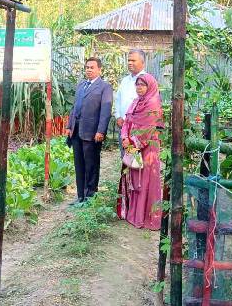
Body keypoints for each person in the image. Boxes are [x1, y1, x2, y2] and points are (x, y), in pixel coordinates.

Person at [118, 74, 164, 230]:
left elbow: (148, 130)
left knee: (145, 181)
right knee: (134, 177)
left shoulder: (153, 104)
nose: (139, 87)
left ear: (150, 86)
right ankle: (133, 213)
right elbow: (127, 122)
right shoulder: (135, 102)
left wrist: (131, 142)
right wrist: (125, 138)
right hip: (132, 145)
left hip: (148, 148)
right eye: (137, 85)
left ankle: (145, 217)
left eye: (143, 85)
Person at [65, 58, 113, 205]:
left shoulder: (105, 87)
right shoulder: (81, 85)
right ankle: (80, 196)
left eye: (92, 67)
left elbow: (106, 111)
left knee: (91, 164)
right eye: (87, 67)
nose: (89, 70)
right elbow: (74, 107)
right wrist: (69, 126)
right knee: (79, 164)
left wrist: (101, 131)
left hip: (92, 133)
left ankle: (90, 196)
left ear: (99, 70)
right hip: (77, 131)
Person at [114, 49, 148, 154]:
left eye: (133, 60)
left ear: (143, 63)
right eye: (128, 60)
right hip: (123, 127)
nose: (129, 63)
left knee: (136, 159)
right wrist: (118, 116)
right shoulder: (125, 80)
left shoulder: (147, 80)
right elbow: (118, 99)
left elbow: (147, 106)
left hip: (138, 129)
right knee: (126, 158)